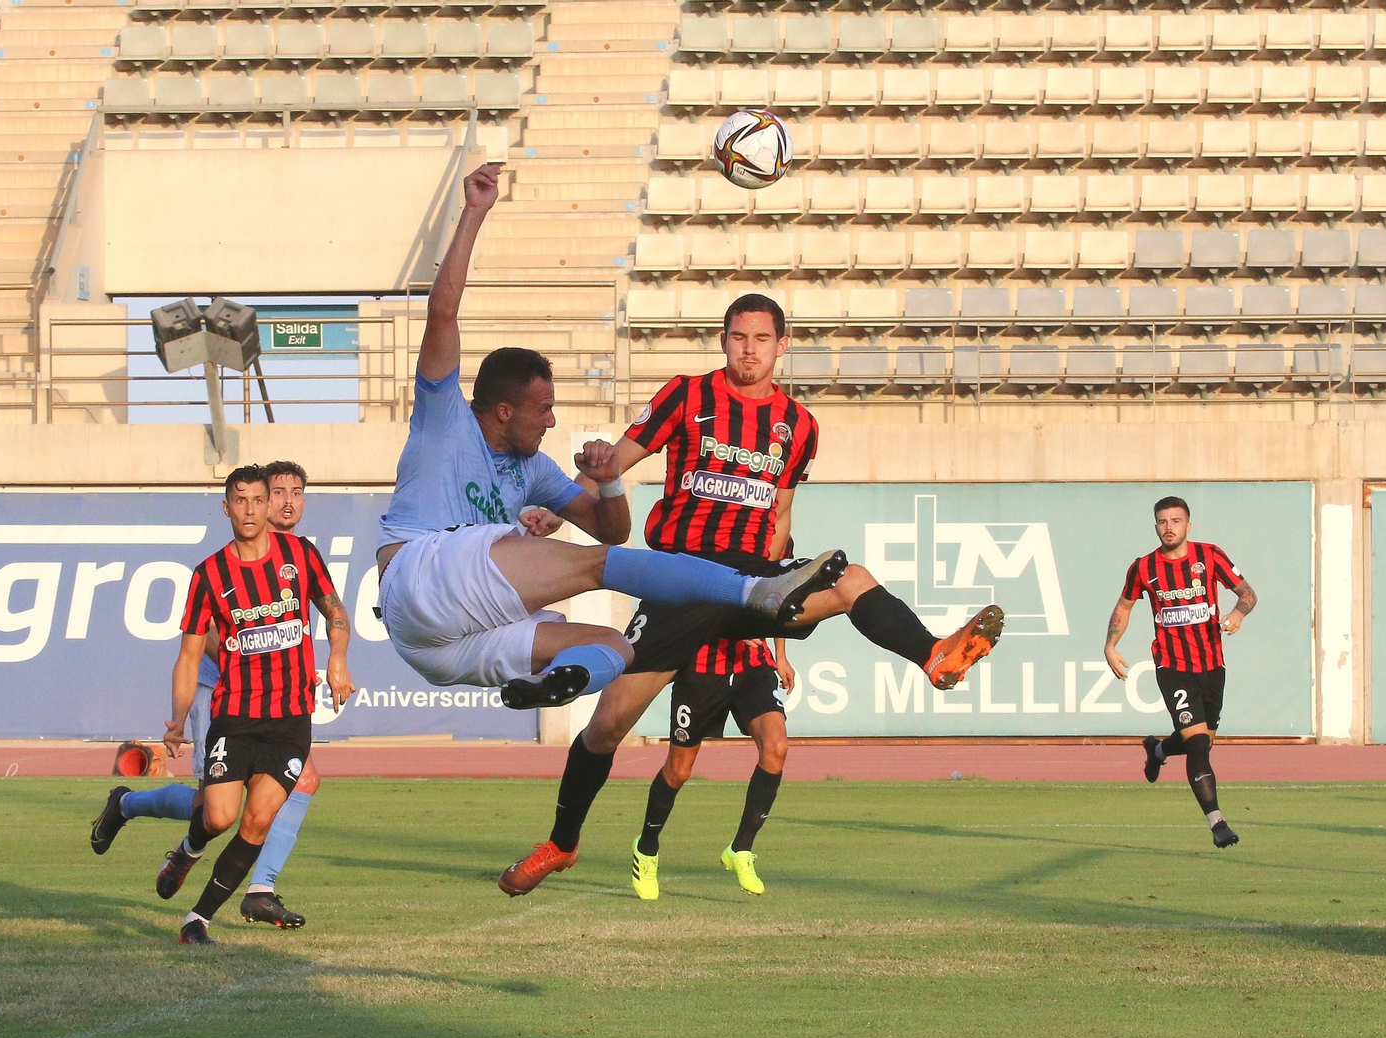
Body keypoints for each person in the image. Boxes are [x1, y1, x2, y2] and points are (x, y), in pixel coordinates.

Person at [499, 294, 1003, 896]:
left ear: (781, 346)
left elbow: (782, 509)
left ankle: (933, 655)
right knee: (606, 727)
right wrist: (560, 515)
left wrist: (779, 589)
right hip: (680, 583)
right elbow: (622, 460)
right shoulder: (686, 395)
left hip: (750, 584)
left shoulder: (800, 425)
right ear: (724, 340)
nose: (749, 349)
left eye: (761, 339)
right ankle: (561, 844)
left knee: (849, 578)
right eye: (739, 337)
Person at [373, 162, 846, 713]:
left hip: (436, 648)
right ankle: (754, 590)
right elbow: (443, 312)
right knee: (592, 567)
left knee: (614, 645)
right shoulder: (444, 418)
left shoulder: (536, 471)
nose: (551, 422)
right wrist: (474, 212)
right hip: (418, 575)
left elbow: (611, 529)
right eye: (543, 410)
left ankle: (551, 685)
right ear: (503, 410)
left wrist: (611, 481)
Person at [89, 462, 330, 928]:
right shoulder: (226, 565)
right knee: (214, 809)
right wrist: (260, 656)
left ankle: (259, 888)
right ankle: (130, 806)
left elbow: (311, 619)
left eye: (295, 493)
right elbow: (221, 635)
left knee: (298, 783)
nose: (285, 502)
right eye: (275, 492)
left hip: (275, 705)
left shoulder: (298, 555)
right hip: (220, 690)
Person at [152, 467, 354, 945]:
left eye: (256, 500)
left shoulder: (300, 556)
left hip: (289, 719)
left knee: (257, 821)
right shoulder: (209, 574)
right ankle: (188, 848)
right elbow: (189, 652)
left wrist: (338, 657)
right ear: (227, 508)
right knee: (218, 816)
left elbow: (336, 611)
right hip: (236, 715)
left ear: (267, 508)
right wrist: (178, 720)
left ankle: (196, 920)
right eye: (238, 501)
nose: (248, 509)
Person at [1104, 495, 1257, 849]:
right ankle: (1217, 823)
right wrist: (1110, 645)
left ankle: (1157, 750)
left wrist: (1238, 613)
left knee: (1199, 742)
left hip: (1211, 666)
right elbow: (1124, 605)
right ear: (1155, 526)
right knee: (1199, 745)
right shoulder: (1143, 567)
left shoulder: (1210, 556)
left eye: (1175, 521)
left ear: (1188, 525)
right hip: (1172, 666)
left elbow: (1247, 593)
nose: (1168, 527)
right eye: (1162, 521)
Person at [630, 637, 793, 901]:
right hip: (701, 670)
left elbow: (776, 603)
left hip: (752, 667)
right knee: (679, 770)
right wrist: (734, 625)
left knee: (776, 747)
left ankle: (741, 849)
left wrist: (781, 655)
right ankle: (646, 849)